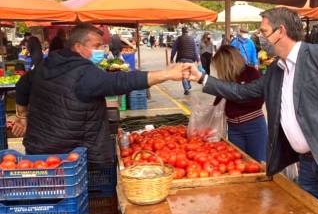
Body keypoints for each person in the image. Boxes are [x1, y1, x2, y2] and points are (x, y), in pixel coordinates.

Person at [187, 7, 318, 214]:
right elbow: (242, 92)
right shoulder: (277, 69)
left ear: (280, 31)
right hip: (307, 165)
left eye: (264, 31)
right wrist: (202, 78)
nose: (260, 36)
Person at [12, 23, 189, 166]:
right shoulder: (84, 72)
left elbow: (21, 87)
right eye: (97, 46)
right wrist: (166, 74)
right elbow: (121, 81)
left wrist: (22, 116)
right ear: (78, 47)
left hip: (37, 152)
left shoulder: (47, 63)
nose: (102, 50)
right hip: (71, 157)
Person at [213, 46, 267, 162]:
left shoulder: (251, 73)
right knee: (238, 163)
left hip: (254, 126)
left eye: (220, 66)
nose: (219, 70)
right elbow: (218, 102)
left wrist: (233, 93)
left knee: (258, 164)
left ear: (228, 62)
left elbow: (258, 101)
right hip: (233, 128)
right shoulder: (226, 78)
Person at [170, 27, 200, 95]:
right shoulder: (192, 39)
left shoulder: (179, 39)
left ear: (182, 32)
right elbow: (195, 51)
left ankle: (186, 89)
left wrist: (171, 58)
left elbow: (174, 49)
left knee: (184, 74)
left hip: (182, 59)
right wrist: (198, 60)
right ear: (188, 32)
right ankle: (188, 86)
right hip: (190, 59)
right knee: (189, 73)